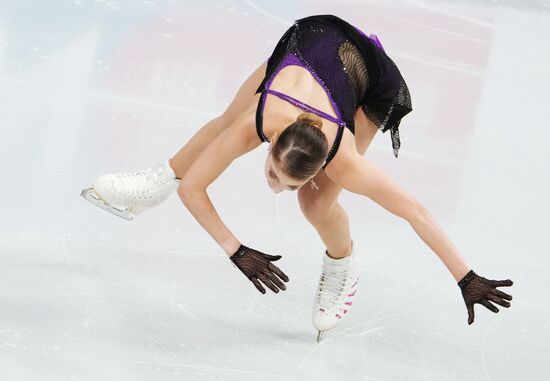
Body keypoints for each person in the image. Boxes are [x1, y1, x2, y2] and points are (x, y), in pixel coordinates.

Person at [81, 14, 514, 341]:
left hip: (366, 78)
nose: (274, 185)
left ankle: (342, 263)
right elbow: (195, 189)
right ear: (271, 143)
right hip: (308, 41)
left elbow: (413, 212)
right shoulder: (263, 119)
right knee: (227, 122)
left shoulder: (343, 159)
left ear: (319, 164)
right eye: (274, 171)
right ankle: (155, 184)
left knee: (318, 204)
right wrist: (236, 251)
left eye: (287, 183)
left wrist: (466, 277)